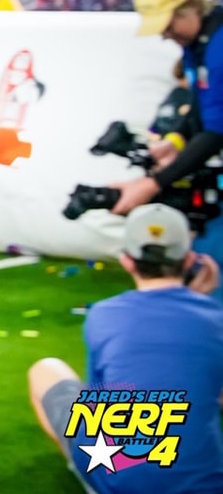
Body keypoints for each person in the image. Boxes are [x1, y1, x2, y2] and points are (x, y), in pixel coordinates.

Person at [27, 203, 223, 494]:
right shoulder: (217, 319)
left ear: (128, 261)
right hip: (205, 485)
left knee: (46, 371)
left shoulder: (103, 314)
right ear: (190, 259)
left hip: (116, 475)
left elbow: (99, 405)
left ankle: (86, 474)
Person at [111, 0, 223, 302]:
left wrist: (153, 183)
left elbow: (217, 131)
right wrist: (172, 142)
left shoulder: (218, 47)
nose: (164, 35)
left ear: (188, 10)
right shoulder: (199, 44)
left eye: (168, 25)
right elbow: (203, 108)